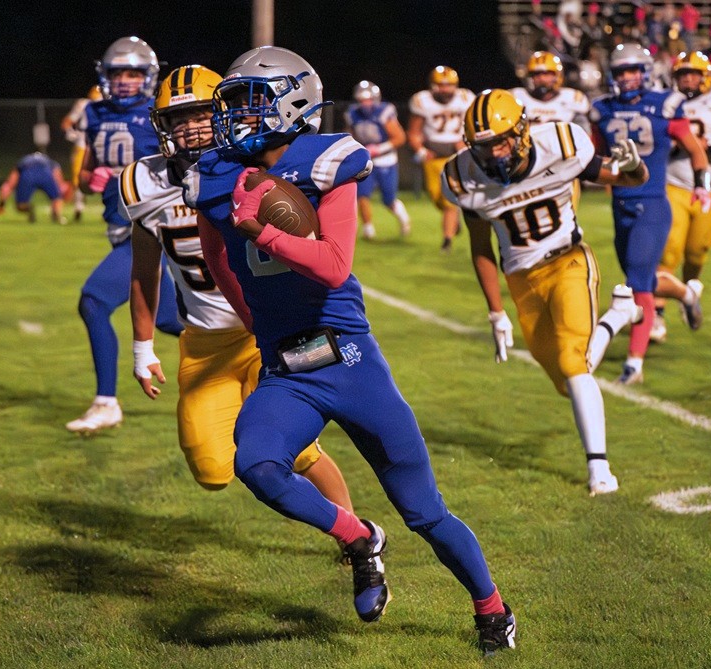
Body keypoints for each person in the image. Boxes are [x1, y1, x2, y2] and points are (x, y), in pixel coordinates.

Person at [184, 46, 515, 656]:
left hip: (349, 360)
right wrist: (257, 322)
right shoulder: (214, 175)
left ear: (294, 103)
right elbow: (216, 258)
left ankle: (492, 609)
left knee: (424, 512)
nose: (236, 116)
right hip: (287, 368)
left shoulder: (327, 160)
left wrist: (263, 230)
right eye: (234, 104)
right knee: (256, 465)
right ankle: (360, 539)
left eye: (251, 102)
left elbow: (335, 266)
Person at [124, 65, 354, 525]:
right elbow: (144, 268)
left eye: (199, 115)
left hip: (266, 330)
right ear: (162, 127)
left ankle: (358, 538)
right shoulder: (142, 182)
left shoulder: (253, 169)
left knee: (298, 450)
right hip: (205, 340)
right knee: (211, 469)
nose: (190, 128)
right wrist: (142, 346)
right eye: (177, 119)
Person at [443, 89, 648, 496]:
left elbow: (626, 178)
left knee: (574, 362)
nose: (495, 154)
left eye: (502, 142)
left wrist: (636, 167)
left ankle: (599, 470)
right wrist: (496, 312)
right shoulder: (463, 177)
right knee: (565, 381)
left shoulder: (561, 144)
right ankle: (618, 316)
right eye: (484, 146)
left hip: (569, 260)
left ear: (522, 132)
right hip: (522, 279)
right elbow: (481, 247)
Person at [65, 36, 184, 435]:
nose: (125, 80)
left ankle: (106, 403)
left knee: (94, 301)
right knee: (172, 320)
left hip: (149, 229)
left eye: (133, 73)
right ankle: (248, 356)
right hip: (119, 229)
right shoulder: (95, 113)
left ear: (148, 76)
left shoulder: (158, 115)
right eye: (118, 73)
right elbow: (85, 178)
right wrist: (93, 178)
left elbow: (181, 170)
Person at [589, 43, 710, 385]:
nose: (626, 77)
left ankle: (634, 364)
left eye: (632, 70)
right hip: (620, 206)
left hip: (653, 204)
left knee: (638, 285)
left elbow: (696, 151)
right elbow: (593, 156)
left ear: (645, 72)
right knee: (641, 277)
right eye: (620, 71)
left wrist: (702, 185)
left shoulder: (664, 105)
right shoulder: (602, 109)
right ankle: (686, 294)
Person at [651, 51, 711, 343]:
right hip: (672, 184)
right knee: (668, 249)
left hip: (707, 188)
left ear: (706, 77)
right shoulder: (668, 102)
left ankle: (688, 292)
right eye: (683, 74)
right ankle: (656, 316)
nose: (688, 80)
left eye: (693, 74)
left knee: (696, 253)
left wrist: (705, 145)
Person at [408, 66, 476, 252]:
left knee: (449, 200)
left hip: (456, 155)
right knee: (435, 196)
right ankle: (453, 219)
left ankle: (447, 240)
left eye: (449, 85)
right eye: (441, 85)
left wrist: (467, 141)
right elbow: (413, 132)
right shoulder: (422, 101)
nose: (445, 89)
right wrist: (421, 150)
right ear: (432, 85)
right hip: (433, 155)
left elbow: (474, 125)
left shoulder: (465, 98)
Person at [343, 80, 411, 240]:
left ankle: (404, 220)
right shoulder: (352, 114)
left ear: (375, 99)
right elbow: (350, 135)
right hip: (366, 160)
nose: (364, 103)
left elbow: (400, 137)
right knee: (362, 195)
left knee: (389, 200)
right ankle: (368, 229)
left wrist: (379, 148)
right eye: (361, 100)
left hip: (386, 160)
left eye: (367, 99)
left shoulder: (384, 112)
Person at [511, 51, 591, 128]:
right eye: (536, 74)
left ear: (557, 76)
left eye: (546, 74)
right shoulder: (516, 97)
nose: (541, 78)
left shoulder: (573, 98)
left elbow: (581, 134)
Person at [61, 85, 104, 221]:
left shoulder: (110, 105)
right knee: (79, 177)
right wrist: (71, 132)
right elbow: (67, 122)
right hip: (84, 144)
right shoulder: (84, 104)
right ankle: (78, 207)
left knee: (107, 175)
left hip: (102, 144)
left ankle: (110, 206)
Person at [0, 150, 73, 224]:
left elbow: (9, 184)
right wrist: (60, 195)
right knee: (56, 199)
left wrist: (1, 204)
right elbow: (59, 180)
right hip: (46, 173)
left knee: (21, 205)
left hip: (28, 174)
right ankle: (56, 215)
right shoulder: (51, 162)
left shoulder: (22, 162)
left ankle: (29, 208)